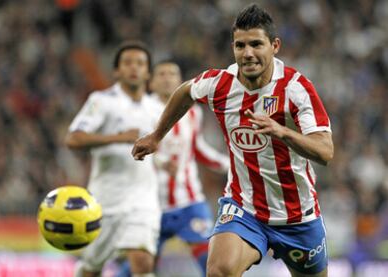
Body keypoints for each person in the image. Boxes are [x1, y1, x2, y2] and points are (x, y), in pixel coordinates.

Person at [132, 4, 334, 277]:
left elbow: (325, 151)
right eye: (240, 45)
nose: (248, 53)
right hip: (244, 207)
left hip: (297, 216)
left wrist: (283, 132)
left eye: (256, 44)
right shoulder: (220, 84)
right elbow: (186, 92)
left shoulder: (296, 89)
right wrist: (157, 136)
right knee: (219, 271)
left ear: (275, 45)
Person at [118, 61, 229, 277]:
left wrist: (229, 163)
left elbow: (198, 148)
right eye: (162, 74)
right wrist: (159, 162)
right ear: (151, 81)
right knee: (139, 268)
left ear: (180, 81)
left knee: (210, 259)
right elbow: (126, 149)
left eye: (172, 74)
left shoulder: (193, 112)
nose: (167, 78)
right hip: (151, 205)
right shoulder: (139, 110)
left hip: (189, 202)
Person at [66, 41, 161, 277]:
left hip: (143, 200)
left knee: (143, 262)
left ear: (148, 72)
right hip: (106, 201)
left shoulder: (156, 108)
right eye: (127, 63)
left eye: (140, 64)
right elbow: (73, 139)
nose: (134, 68)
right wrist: (117, 138)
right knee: (92, 269)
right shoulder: (102, 101)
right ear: (116, 71)